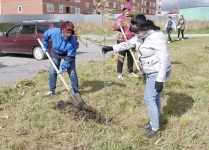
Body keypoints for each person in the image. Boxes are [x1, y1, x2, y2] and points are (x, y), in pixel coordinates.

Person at [102, 14, 171, 138]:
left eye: (137, 31)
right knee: (155, 98)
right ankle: (153, 122)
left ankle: (155, 129)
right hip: (150, 71)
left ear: (144, 27)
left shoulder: (156, 37)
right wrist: (112, 48)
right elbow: (128, 44)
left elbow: (164, 59)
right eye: (134, 31)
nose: (136, 33)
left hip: (159, 71)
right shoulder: (140, 35)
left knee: (149, 98)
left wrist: (160, 80)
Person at [41, 21, 79, 97]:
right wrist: (44, 46)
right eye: (66, 32)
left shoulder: (72, 41)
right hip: (55, 53)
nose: (68, 35)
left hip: (67, 55)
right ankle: (52, 90)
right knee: (52, 72)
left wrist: (63, 67)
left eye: (70, 33)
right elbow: (45, 37)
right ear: (62, 30)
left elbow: (70, 57)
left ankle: (76, 91)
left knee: (72, 73)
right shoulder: (54, 32)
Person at [112, 2, 138, 80]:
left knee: (131, 57)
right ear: (123, 10)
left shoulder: (133, 18)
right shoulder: (120, 18)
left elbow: (137, 28)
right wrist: (119, 25)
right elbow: (114, 27)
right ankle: (119, 73)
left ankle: (131, 72)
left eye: (128, 10)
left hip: (131, 40)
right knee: (121, 56)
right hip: (122, 40)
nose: (127, 12)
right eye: (125, 10)